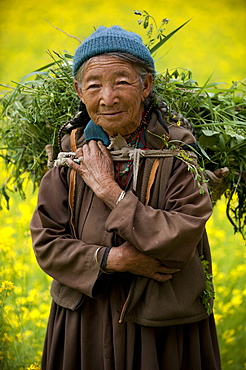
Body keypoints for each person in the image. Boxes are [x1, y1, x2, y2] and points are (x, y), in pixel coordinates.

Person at [30, 26, 221, 370]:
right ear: (78, 91)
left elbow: (182, 233)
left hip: (162, 328)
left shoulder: (177, 153)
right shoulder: (69, 156)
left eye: (122, 81)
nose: (107, 97)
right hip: (84, 322)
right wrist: (114, 259)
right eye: (94, 85)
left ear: (146, 86)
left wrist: (109, 191)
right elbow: (47, 242)